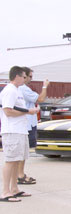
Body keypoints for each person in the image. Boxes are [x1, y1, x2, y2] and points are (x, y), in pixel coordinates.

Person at [0, 66, 39, 202]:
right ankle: (5, 192)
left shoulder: (17, 91)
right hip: (12, 131)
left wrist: (28, 111)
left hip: (20, 130)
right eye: (24, 76)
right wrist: (28, 112)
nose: (25, 79)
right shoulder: (9, 91)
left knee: (16, 161)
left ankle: (14, 189)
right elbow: (7, 111)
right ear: (17, 76)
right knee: (10, 161)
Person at [17, 67, 50, 185]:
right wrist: (45, 86)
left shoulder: (21, 89)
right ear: (23, 76)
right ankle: (20, 175)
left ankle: (20, 174)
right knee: (22, 151)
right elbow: (41, 98)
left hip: (27, 124)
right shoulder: (23, 89)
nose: (31, 79)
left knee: (24, 151)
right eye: (30, 76)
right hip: (25, 125)